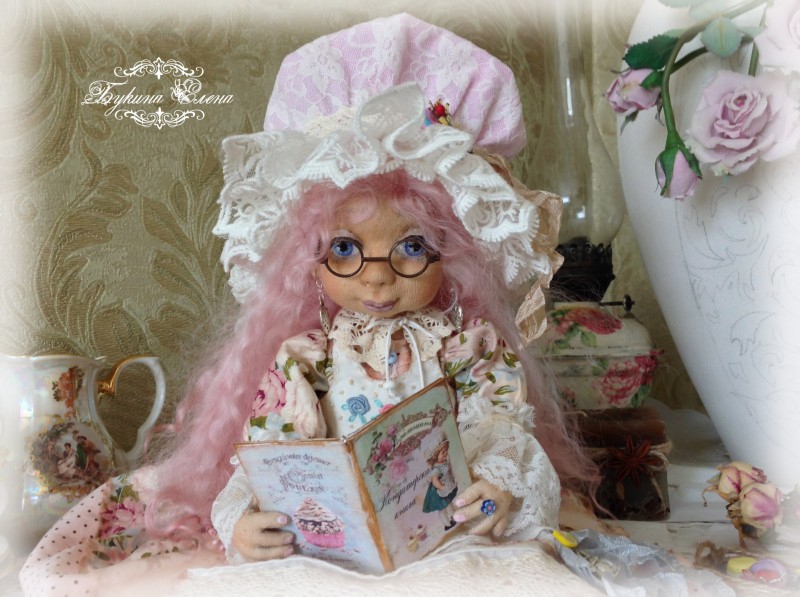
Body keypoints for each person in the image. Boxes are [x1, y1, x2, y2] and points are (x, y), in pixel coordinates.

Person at [19, 14, 596, 595]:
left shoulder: (468, 348)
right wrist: (244, 523)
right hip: (325, 547)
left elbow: (500, 431)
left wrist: (498, 489)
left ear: (455, 255)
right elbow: (263, 457)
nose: (377, 278)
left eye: (412, 247)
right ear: (308, 260)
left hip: (443, 533)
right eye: (344, 249)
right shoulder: (304, 360)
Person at [422, 439, 459, 531]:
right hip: (438, 493)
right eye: (443, 452)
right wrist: (442, 487)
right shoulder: (437, 469)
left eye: (446, 450)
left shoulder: (444, 463)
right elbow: (435, 481)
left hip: (447, 488)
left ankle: (454, 517)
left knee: (449, 503)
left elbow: (449, 472)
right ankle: (447, 524)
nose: (446, 453)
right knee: (442, 508)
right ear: (435, 457)